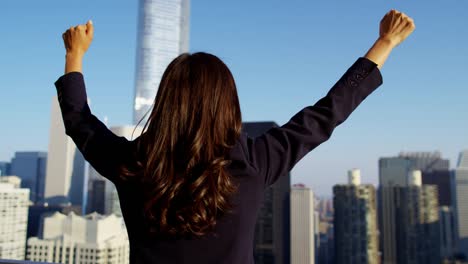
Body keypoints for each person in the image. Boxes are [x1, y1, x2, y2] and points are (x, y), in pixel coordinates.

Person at [56, 9, 415, 264]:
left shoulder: (132, 164)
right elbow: (326, 114)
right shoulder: (255, 162)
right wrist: (384, 43)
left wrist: (75, 55)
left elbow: (79, 121)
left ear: (166, 103)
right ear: (228, 105)